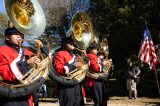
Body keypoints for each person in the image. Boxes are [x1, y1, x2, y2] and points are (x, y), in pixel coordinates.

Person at [0, 27, 46, 106]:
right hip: (12, 95)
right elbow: (6, 74)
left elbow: (45, 59)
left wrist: (40, 48)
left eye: (20, 35)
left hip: (28, 93)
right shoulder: (2, 51)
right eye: (15, 34)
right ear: (7, 37)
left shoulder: (26, 51)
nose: (19, 37)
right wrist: (27, 62)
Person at [52, 36, 85, 106]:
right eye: (70, 44)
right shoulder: (59, 53)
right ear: (64, 44)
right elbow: (59, 69)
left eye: (73, 44)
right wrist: (73, 65)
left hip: (76, 84)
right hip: (66, 86)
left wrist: (83, 60)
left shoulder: (74, 55)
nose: (73, 45)